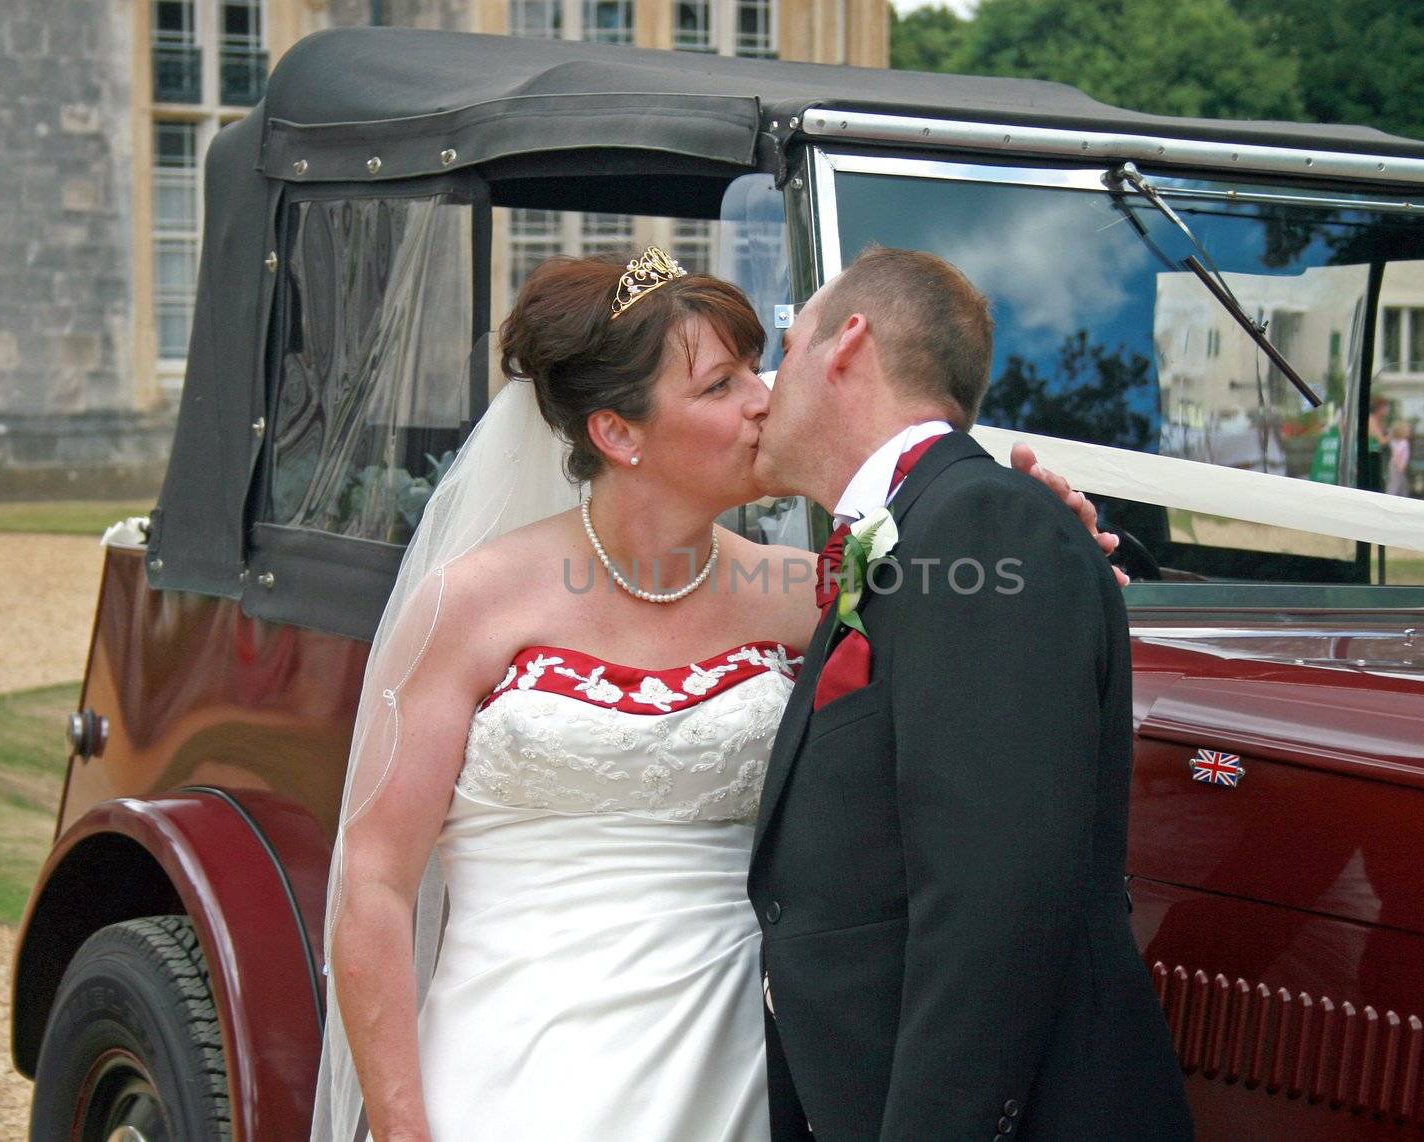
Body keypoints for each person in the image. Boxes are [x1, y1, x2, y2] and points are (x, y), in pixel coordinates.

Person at [312, 247, 1120, 1142]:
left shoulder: (814, 588)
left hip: (746, 1071)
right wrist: (399, 1124)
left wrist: (1051, 543)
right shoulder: (471, 603)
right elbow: (377, 880)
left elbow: (982, 680)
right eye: (720, 385)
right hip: (506, 1068)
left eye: (756, 369)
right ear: (620, 434)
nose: (764, 399)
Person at [749, 247, 1191, 1141]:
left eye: (786, 347)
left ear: (846, 346)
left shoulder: (988, 524)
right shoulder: (915, 531)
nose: (764, 388)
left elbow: (996, 900)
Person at [1387, 420, 1412, 497]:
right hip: (1398, 465)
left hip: (1395, 464)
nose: (1409, 431)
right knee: (1395, 483)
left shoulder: (1394, 441)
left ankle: (1403, 496)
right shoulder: (1403, 443)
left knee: (1402, 482)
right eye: (1407, 430)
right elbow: (1397, 454)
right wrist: (1400, 465)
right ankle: (1390, 496)